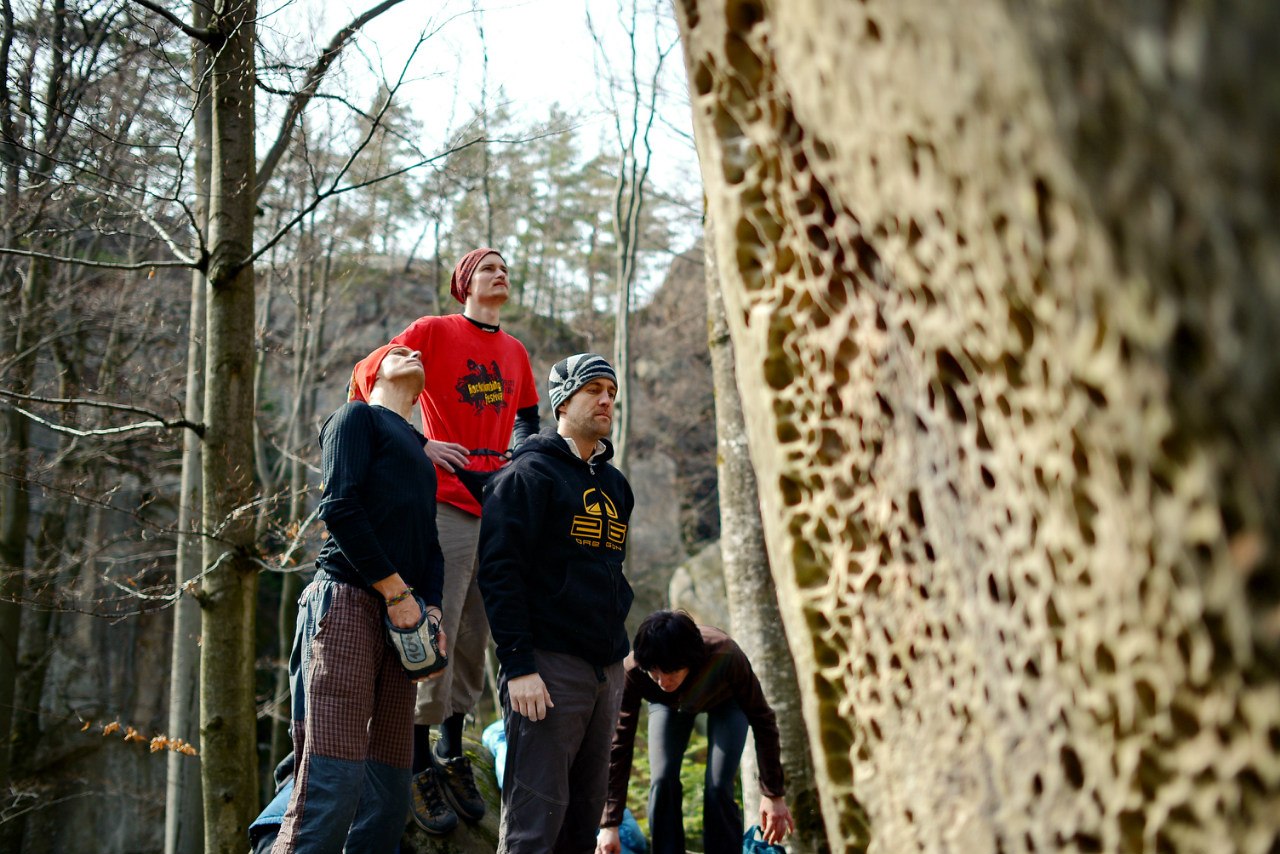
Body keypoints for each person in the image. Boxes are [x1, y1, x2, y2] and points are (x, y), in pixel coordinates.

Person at [271, 343, 447, 854]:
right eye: (396, 351)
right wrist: (396, 593)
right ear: (369, 376)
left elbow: (429, 544)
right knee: (333, 780)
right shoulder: (355, 418)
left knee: (387, 796)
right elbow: (340, 507)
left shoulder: (419, 450)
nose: (412, 350)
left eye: (416, 350)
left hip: (404, 621)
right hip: (346, 602)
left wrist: (429, 612)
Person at [390, 247, 540, 833]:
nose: (500, 274)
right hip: (444, 503)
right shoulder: (433, 331)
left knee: (480, 628)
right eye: (487, 268)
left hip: (496, 504)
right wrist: (418, 443)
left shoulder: (516, 351)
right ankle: (415, 757)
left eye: (505, 268)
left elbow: (528, 417)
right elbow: (374, 379)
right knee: (440, 623)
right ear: (464, 283)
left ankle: (453, 750)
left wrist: (522, 457)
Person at [478, 353, 635, 853]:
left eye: (611, 391)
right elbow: (500, 573)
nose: (607, 399)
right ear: (563, 401)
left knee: (582, 820)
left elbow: (611, 575)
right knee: (534, 823)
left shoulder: (616, 486)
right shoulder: (527, 475)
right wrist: (519, 664)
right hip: (546, 668)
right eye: (594, 390)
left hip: (604, 671)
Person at [596, 611, 796, 854]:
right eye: (655, 673)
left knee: (718, 786)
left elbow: (763, 719)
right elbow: (619, 744)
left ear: (690, 661)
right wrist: (610, 823)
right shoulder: (633, 669)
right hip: (667, 706)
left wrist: (773, 793)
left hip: (726, 702)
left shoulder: (726, 654)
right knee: (662, 780)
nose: (662, 681)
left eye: (672, 672)